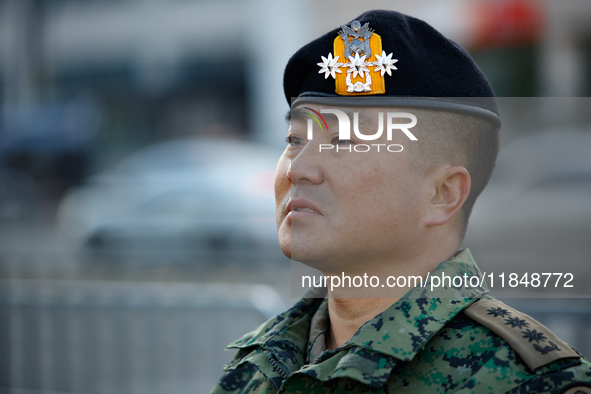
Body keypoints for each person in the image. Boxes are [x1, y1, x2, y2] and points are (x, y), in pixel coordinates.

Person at [210, 10, 591, 393]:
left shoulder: (532, 384)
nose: (298, 168)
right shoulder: (258, 364)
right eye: (294, 140)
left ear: (443, 194)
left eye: (343, 141)